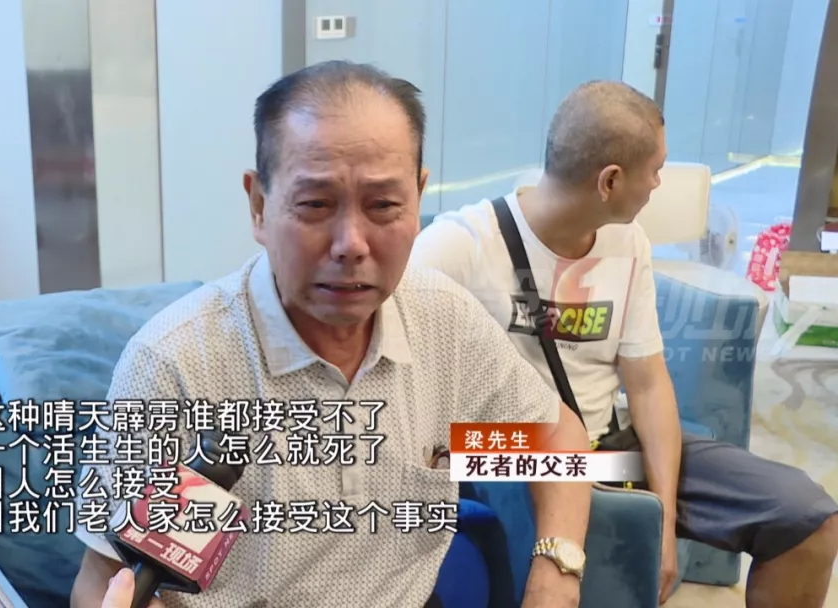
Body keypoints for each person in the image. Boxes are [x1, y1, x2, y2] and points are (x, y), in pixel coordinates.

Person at [70, 60, 593, 608]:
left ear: (418, 197)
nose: (351, 245)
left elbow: (556, 433)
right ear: (259, 206)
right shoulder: (178, 366)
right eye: (316, 205)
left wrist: (555, 571)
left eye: (383, 206)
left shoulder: (444, 320)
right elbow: (102, 580)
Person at [410, 79, 838, 607]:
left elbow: (648, 382)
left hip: (610, 448)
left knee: (808, 520)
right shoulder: (458, 247)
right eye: (655, 169)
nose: (658, 182)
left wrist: (663, 518)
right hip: (505, 455)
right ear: (609, 180)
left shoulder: (628, 242)